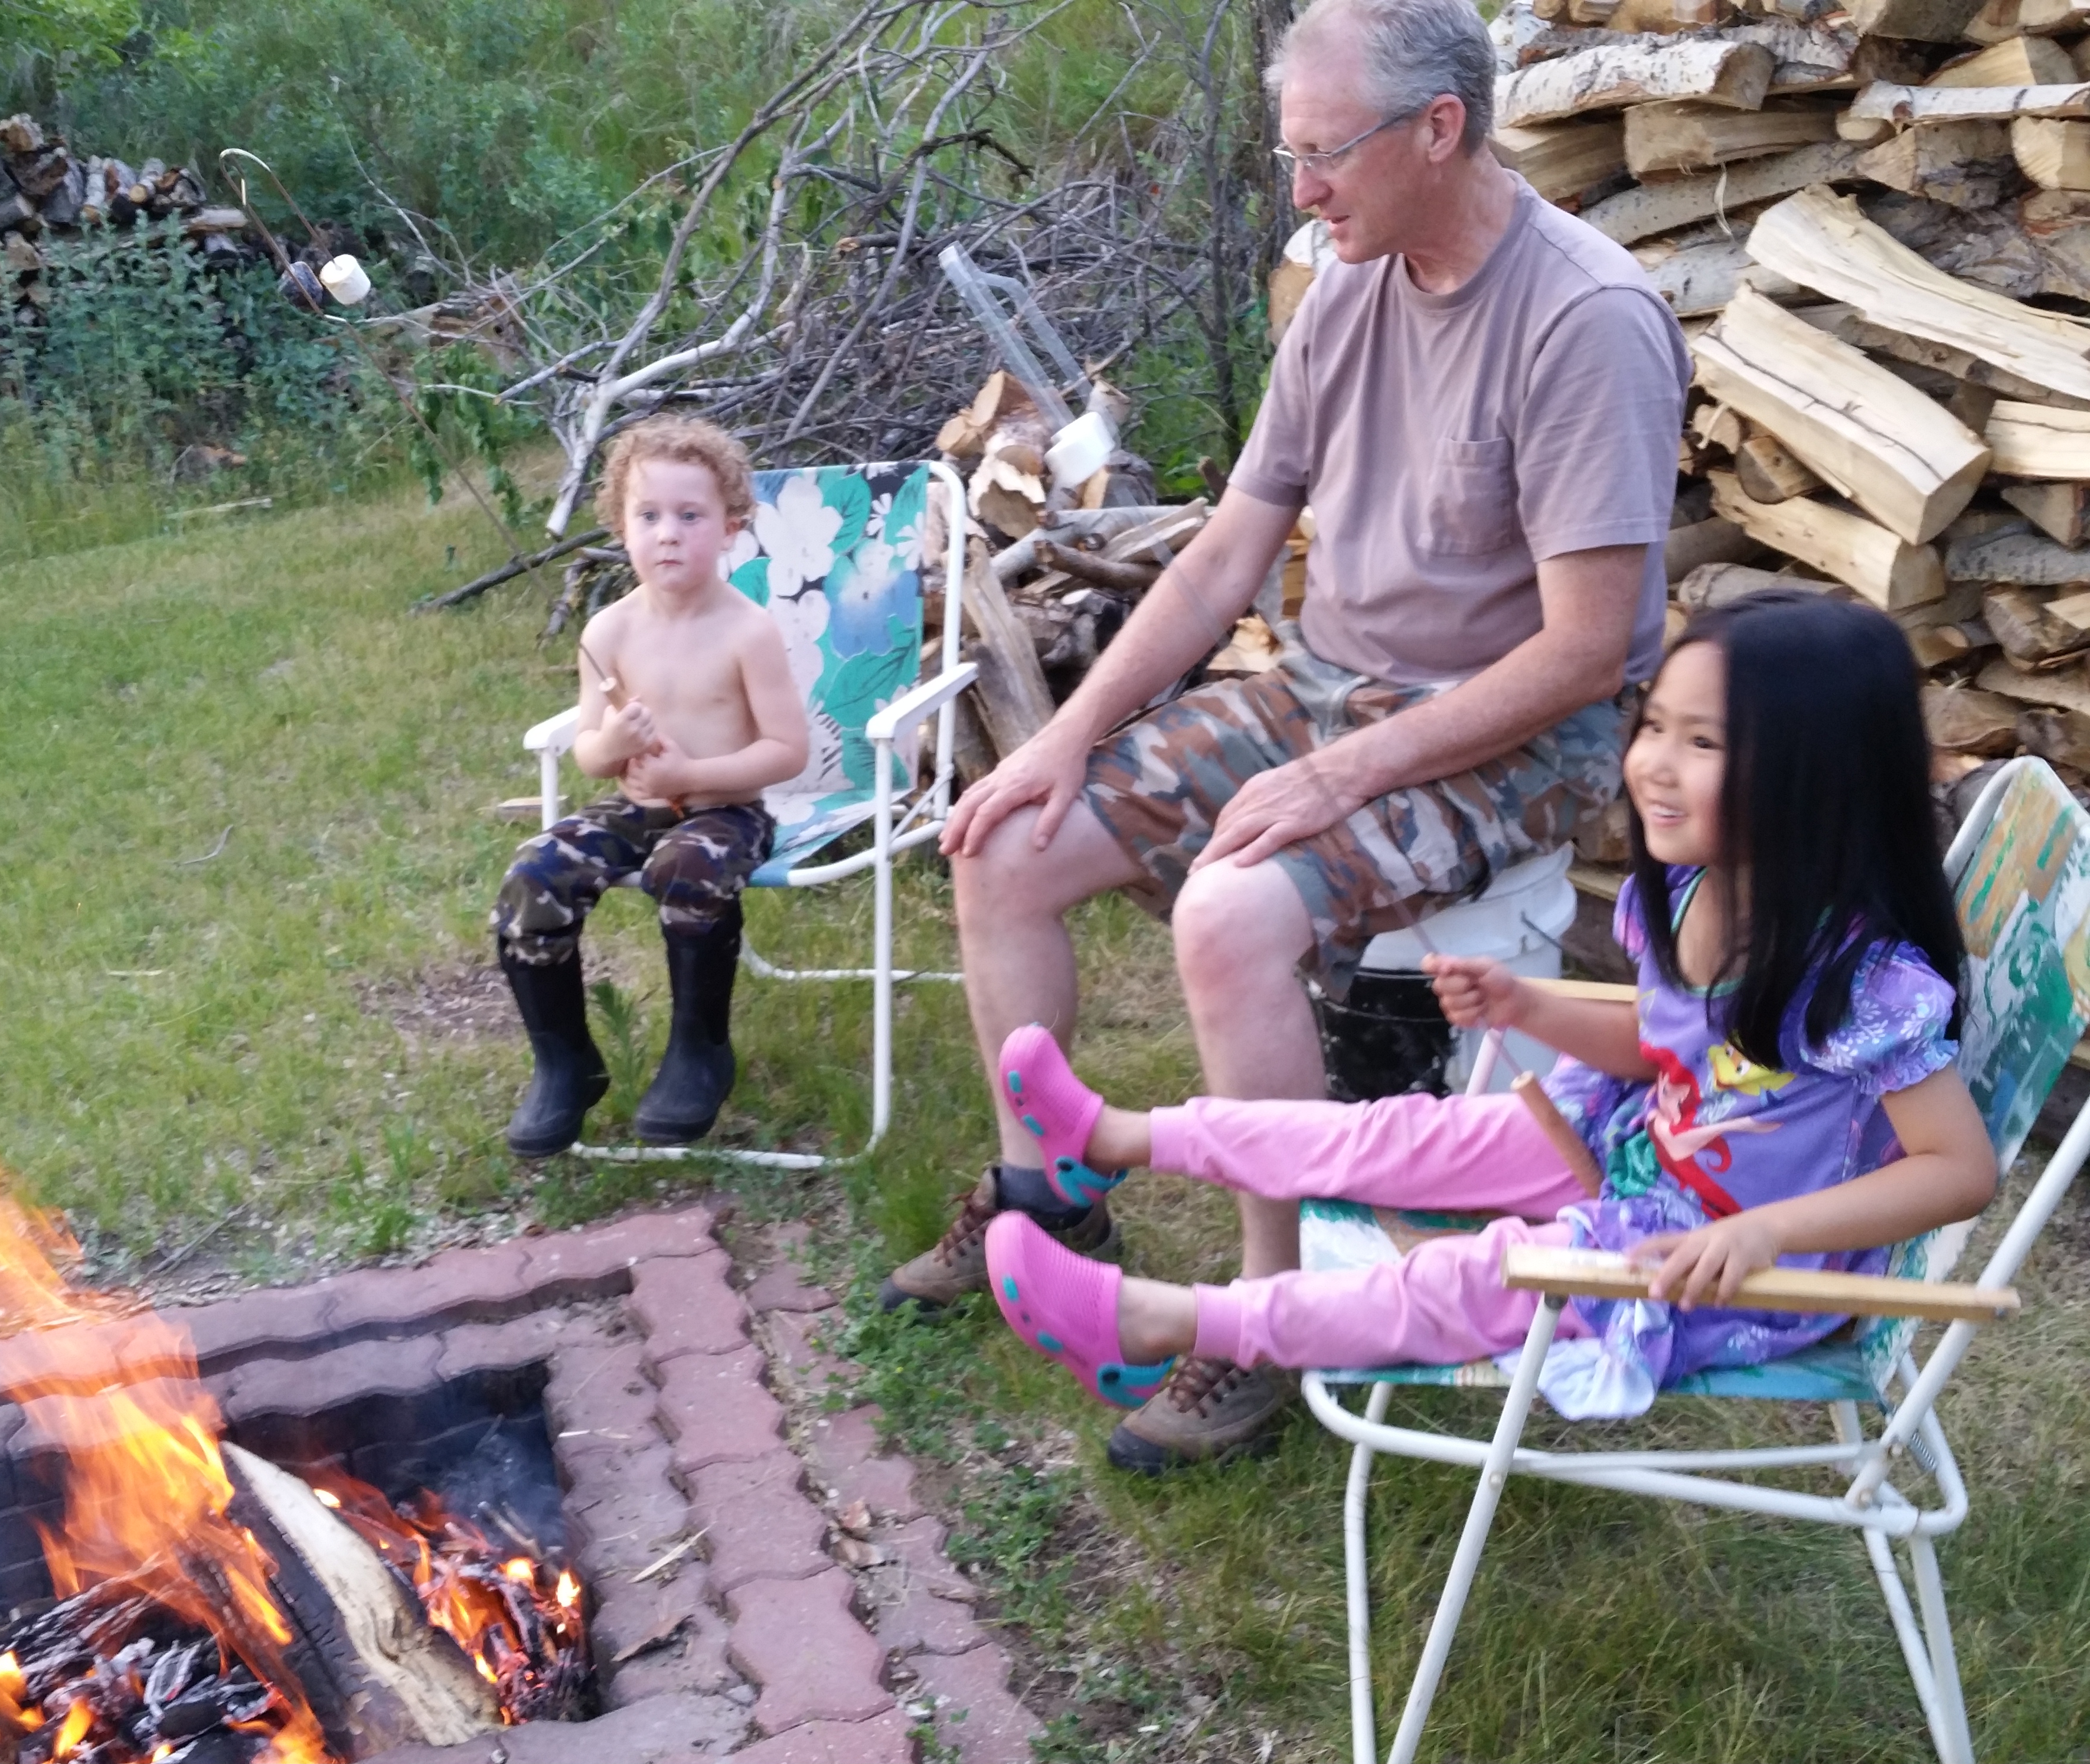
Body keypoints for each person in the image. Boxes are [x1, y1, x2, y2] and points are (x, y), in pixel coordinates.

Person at [886, 0, 1692, 1472]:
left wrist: (1339, 771)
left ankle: (1265, 1317)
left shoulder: (1585, 320)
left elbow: (1587, 649)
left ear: (1439, 129)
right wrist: (1061, 736)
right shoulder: (1343, 288)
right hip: (1328, 684)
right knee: (1005, 843)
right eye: (1288, 156)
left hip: (1518, 734)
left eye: (1325, 155)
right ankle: (1049, 1194)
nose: (1302, 191)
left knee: (1230, 912)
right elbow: (1220, 560)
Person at [979, 593, 1998, 1417]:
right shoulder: (1697, 894)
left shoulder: (1864, 983)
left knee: (1482, 1273)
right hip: (1639, 1153)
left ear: (1819, 779)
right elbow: (1663, 1046)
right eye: (1653, 725)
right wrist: (1526, 1007)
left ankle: (1164, 1323)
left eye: (1703, 742)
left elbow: (1957, 1170)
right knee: (1402, 1135)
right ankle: (1111, 1138)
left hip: (1721, 1272)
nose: (1652, 760)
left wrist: (1765, 1235)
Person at [492, 417, 808, 1155]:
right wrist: (616, 744)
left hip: (726, 811)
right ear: (620, 527)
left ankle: (699, 1052)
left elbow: (787, 751)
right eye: (649, 516)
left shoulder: (747, 631)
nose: (669, 534)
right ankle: (565, 1063)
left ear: (730, 530)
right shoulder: (607, 632)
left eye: (691, 516)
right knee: (534, 874)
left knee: (685, 866)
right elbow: (591, 755)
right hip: (631, 808)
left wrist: (689, 776)